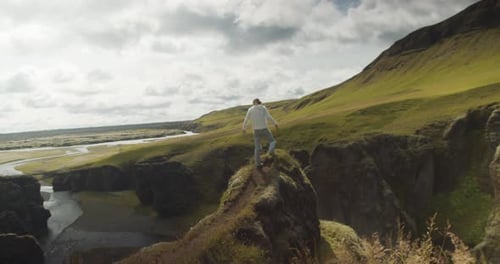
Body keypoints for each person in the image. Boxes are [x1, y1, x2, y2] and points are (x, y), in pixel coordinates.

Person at [242, 98, 279, 168]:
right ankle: (271, 151)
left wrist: (244, 128)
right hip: (264, 128)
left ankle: (258, 164)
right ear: (259, 102)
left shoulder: (250, 109)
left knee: (257, 147)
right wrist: (275, 123)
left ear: (253, 103)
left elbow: (246, 119)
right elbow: (268, 117)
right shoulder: (263, 107)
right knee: (272, 141)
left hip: (256, 130)